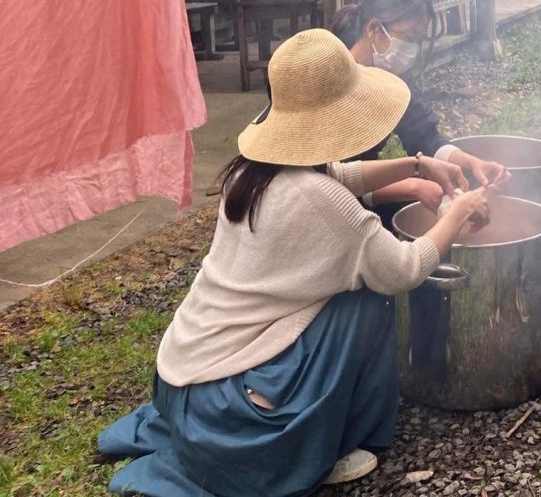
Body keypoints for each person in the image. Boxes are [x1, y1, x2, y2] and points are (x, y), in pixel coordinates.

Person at [97, 29, 490, 496]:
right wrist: (460, 210)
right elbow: (404, 268)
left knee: (347, 298)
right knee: (367, 304)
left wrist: (417, 165)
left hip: (178, 380)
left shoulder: (249, 171)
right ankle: (319, 445)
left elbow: (339, 173)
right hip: (229, 417)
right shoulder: (328, 206)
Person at [331, 0, 510, 216]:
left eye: (419, 40)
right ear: (374, 29)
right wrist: (412, 186)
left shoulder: (393, 79)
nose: (413, 49)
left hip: (359, 195)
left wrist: (472, 163)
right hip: (320, 209)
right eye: (409, 37)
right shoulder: (332, 80)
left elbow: (424, 135)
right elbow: (325, 178)